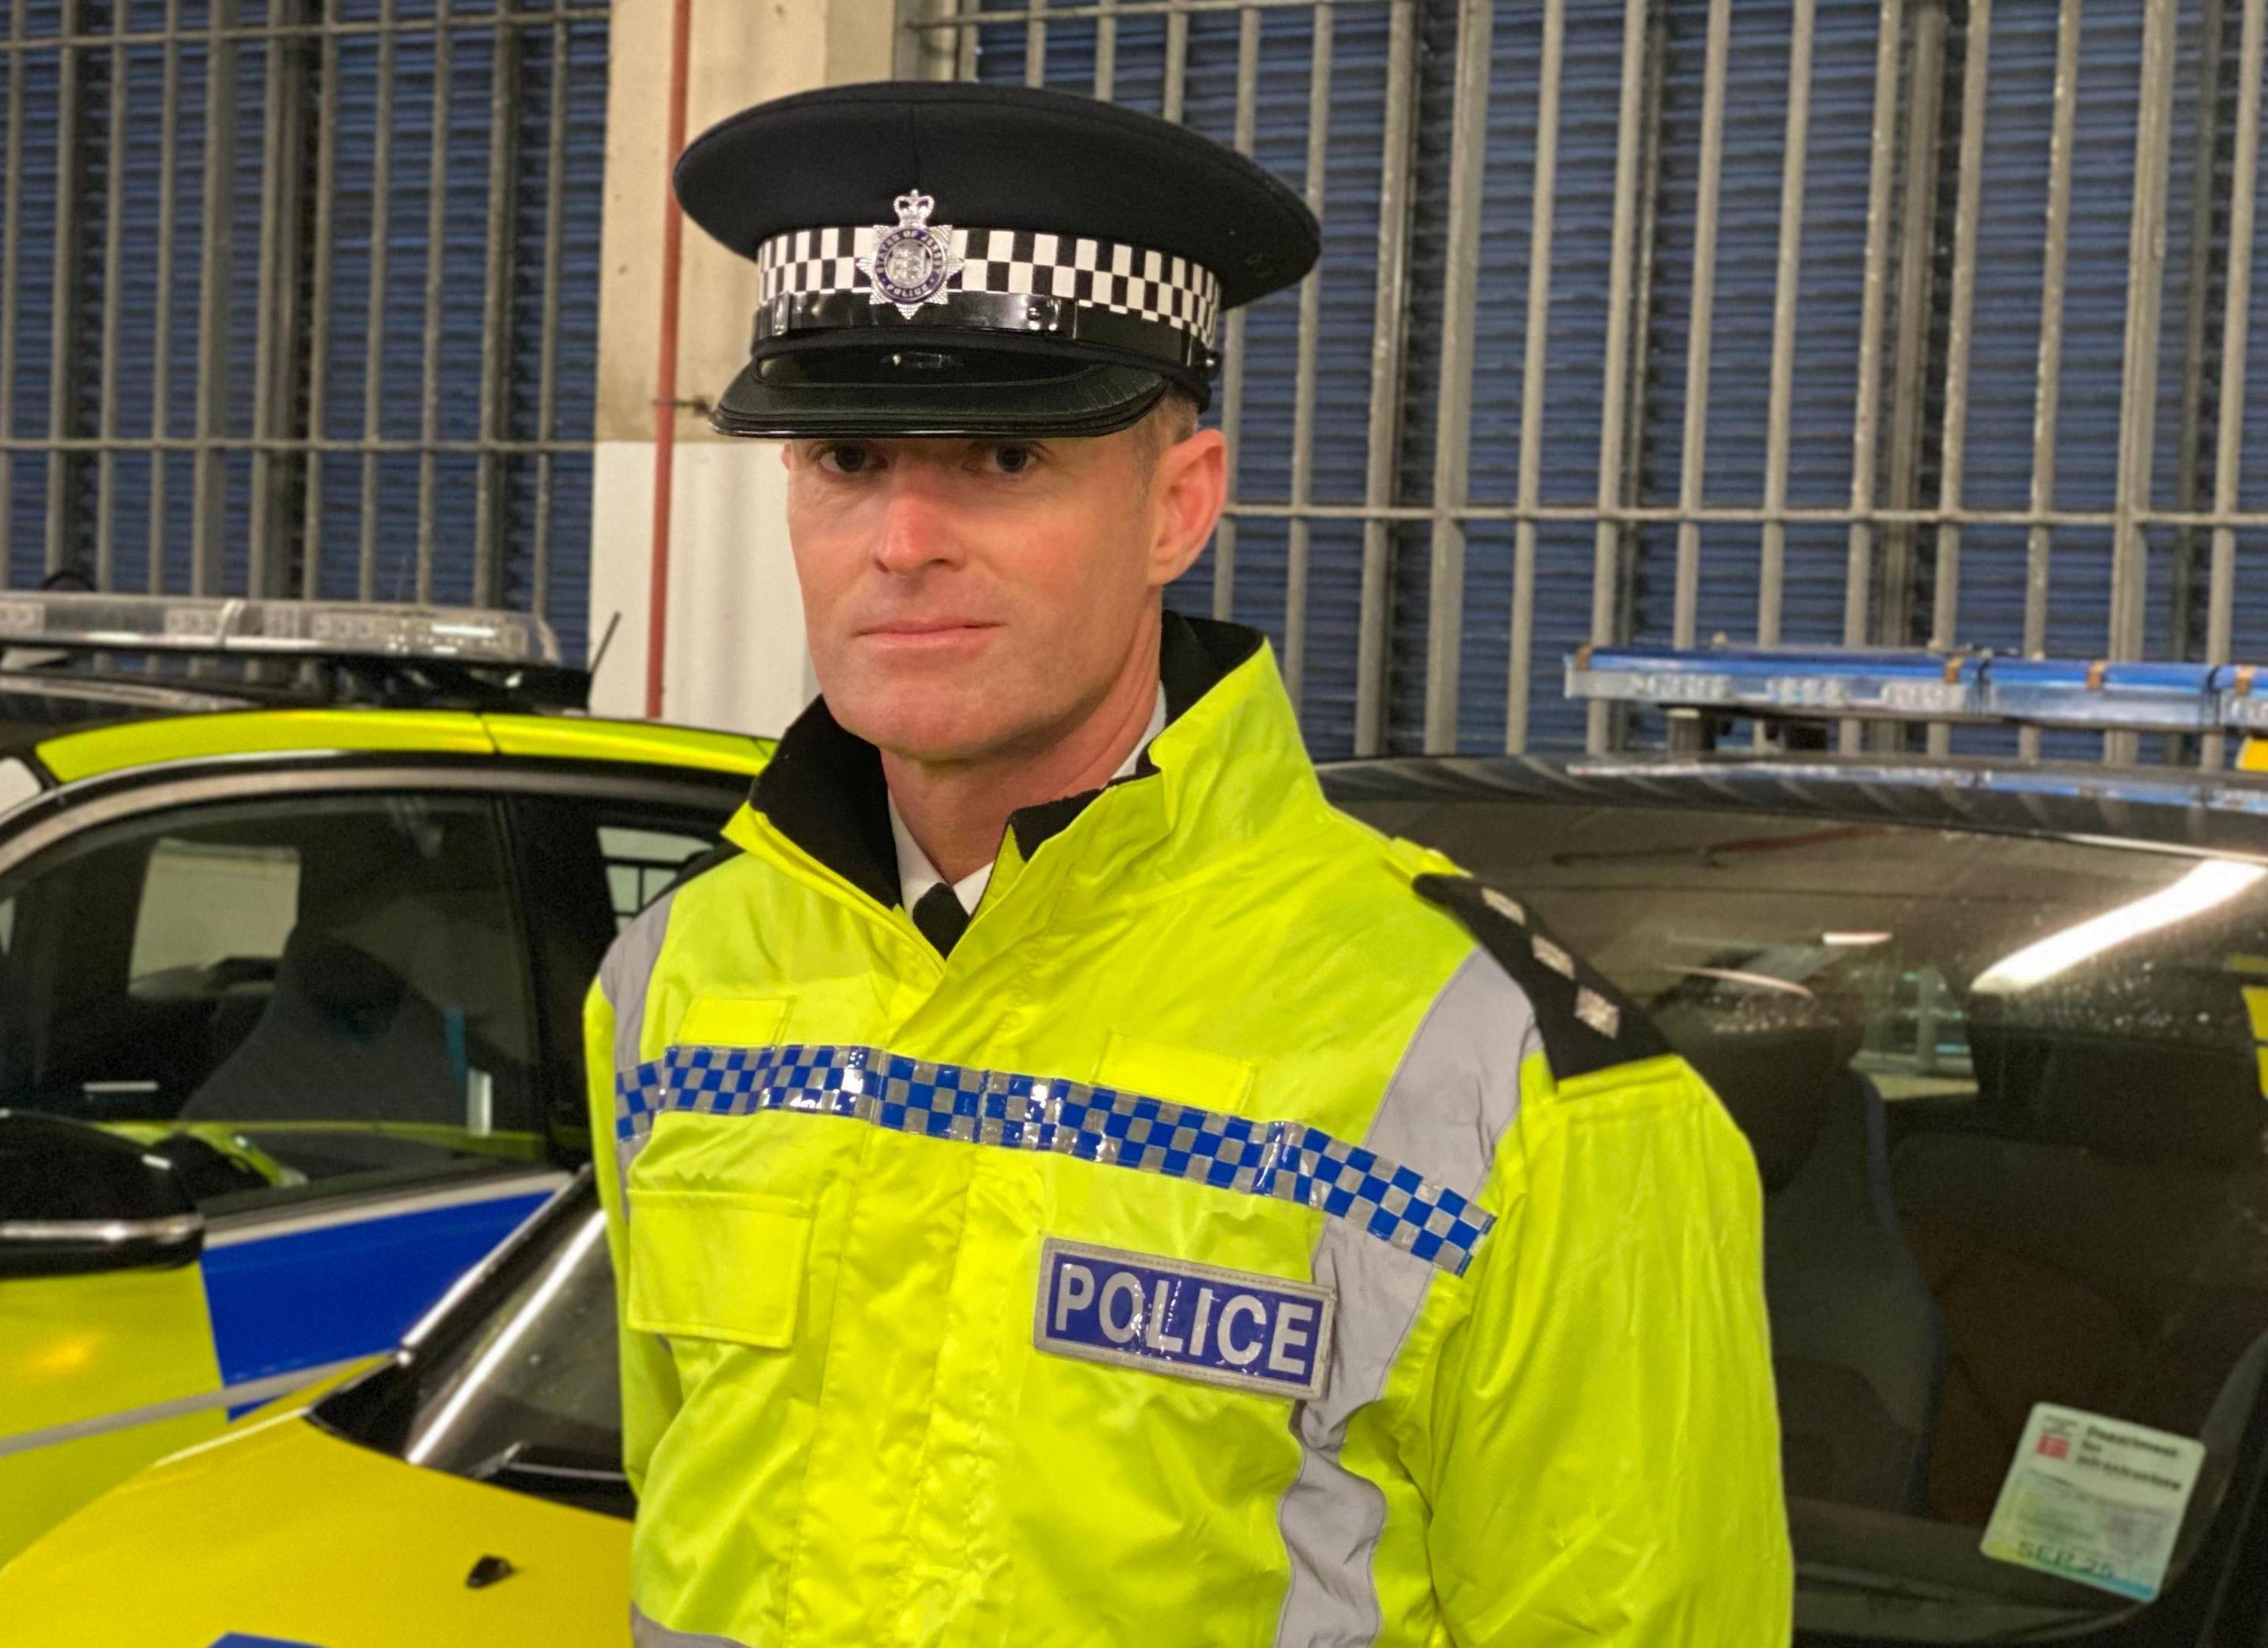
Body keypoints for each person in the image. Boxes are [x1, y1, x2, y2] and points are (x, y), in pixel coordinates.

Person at [587, 80, 1790, 1646]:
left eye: (1005, 462)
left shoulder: (1510, 1076)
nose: (900, 539)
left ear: (1179, 505)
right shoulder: (681, 976)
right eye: (848, 456)